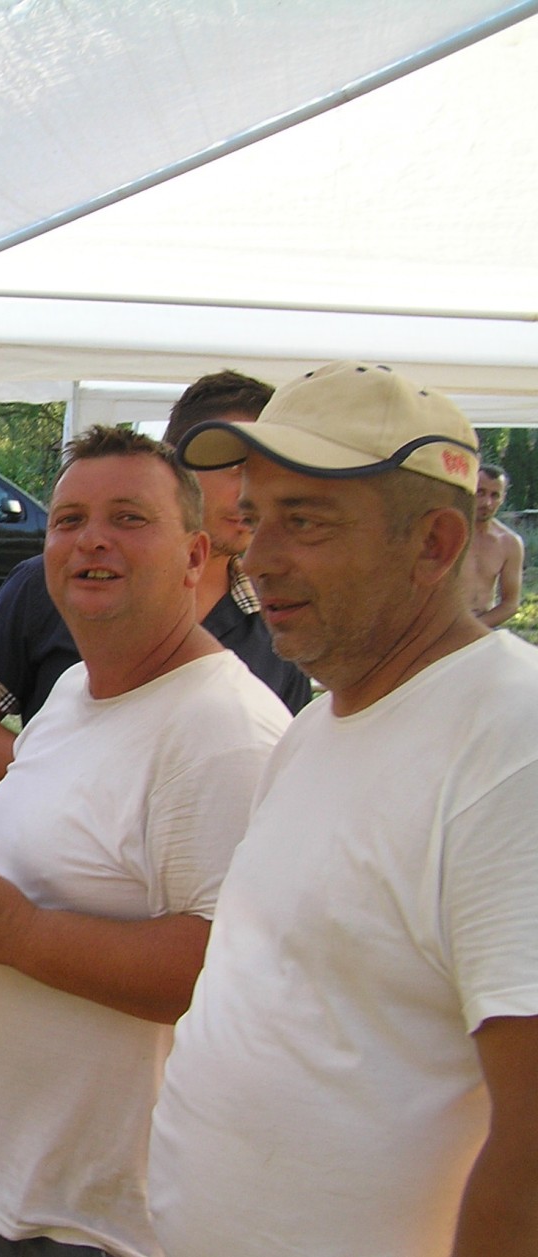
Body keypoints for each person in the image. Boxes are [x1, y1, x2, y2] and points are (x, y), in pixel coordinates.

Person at [152, 361, 538, 1256]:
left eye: (306, 521)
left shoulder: (510, 745)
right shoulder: (318, 725)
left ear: (435, 543)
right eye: (257, 517)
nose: (260, 557)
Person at [0, 427, 289, 1257]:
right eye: (68, 519)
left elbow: (225, 974)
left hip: (100, 1217)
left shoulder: (224, 732)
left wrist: (17, 932)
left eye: (128, 517)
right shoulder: (76, 688)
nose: (91, 539)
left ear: (195, 555)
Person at [0, 370, 310, 793]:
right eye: (235, 468)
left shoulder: (280, 613)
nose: (249, 492)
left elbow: (281, 778)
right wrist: (81, 791)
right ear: (173, 463)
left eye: (269, 471)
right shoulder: (61, 584)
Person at [465, 461, 524, 627]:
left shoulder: (510, 543)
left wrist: (472, 630)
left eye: (495, 495)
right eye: (480, 492)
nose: (487, 503)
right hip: (440, 628)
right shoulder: (446, 535)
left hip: (483, 626)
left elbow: (510, 604)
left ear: (503, 498)